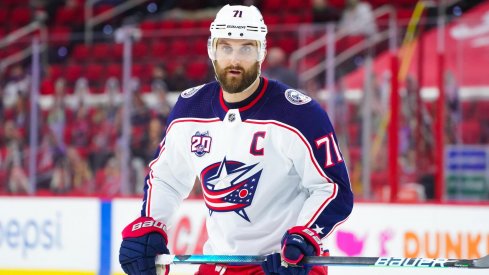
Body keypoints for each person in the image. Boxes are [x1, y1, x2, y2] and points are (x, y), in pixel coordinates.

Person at [119, 4, 353, 275]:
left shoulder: (299, 114)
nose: (234, 59)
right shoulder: (189, 109)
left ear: (261, 52)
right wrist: (150, 224)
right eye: (226, 47)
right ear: (212, 50)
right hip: (217, 263)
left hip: (285, 265)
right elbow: (167, 178)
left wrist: (305, 237)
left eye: (246, 48)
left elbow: (333, 188)